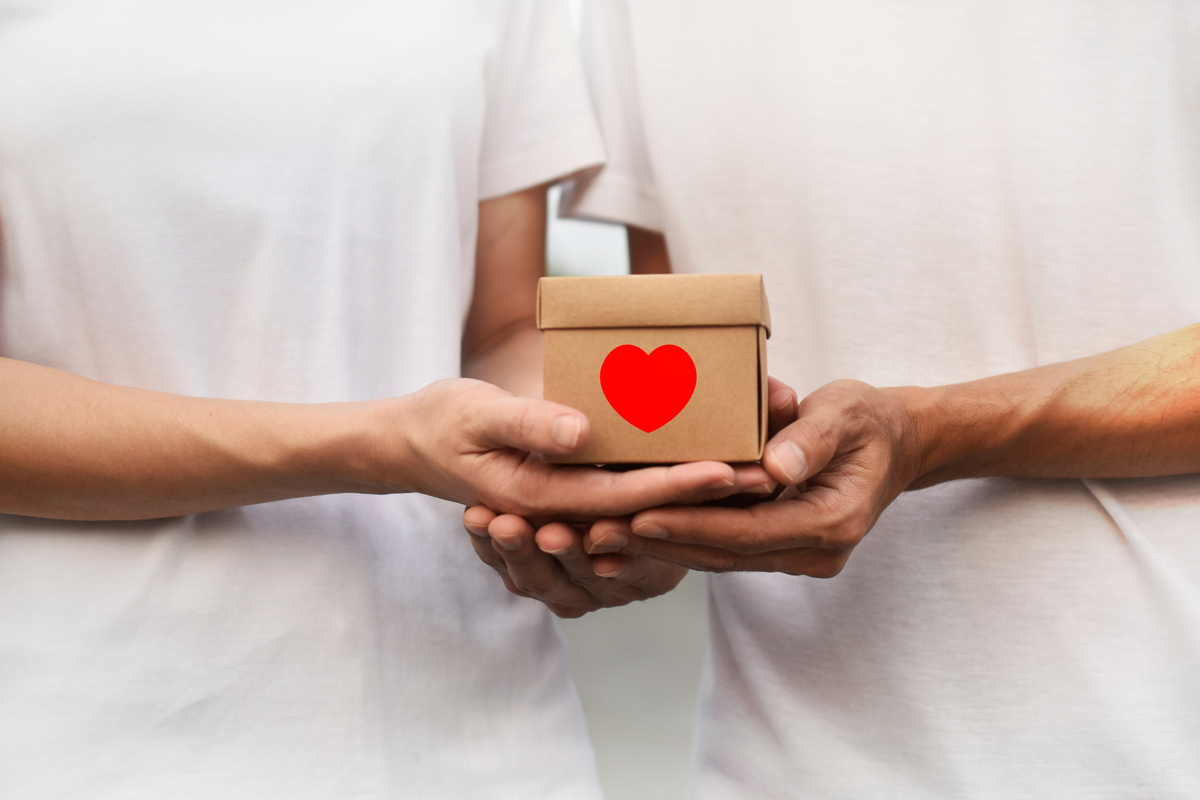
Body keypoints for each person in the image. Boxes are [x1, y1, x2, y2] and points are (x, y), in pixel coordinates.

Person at [0, 3, 769, 797]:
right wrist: (382, 442)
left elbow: (501, 327)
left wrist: (614, 472)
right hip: (89, 732)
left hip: (469, 727)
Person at [468, 1, 1200, 796]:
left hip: (1154, 735)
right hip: (782, 755)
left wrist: (930, 433)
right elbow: (683, 359)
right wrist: (648, 523)